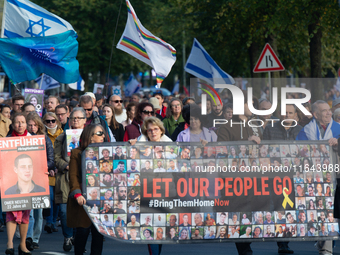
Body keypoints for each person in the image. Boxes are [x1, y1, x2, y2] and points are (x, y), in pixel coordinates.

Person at [67, 124, 106, 255]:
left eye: (103, 133)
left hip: (100, 199)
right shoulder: (76, 153)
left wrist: (132, 143)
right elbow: (73, 176)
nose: (103, 136)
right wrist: (77, 193)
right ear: (90, 136)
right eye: (99, 133)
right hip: (83, 198)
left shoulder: (106, 152)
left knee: (98, 233)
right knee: (82, 231)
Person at [5, 113, 36, 255]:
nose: (20, 125)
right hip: (11, 182)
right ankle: (10, 243)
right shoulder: (7, 140)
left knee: (25, 214)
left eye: (22, 122)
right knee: (11, 213)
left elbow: (39, 160)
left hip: (28, 183)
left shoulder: (33, 140)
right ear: (12, 124)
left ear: (26, 124)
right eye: (17, 122)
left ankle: (23, 244)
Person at [25, 112, 55, 250]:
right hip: (25, 178)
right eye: (29, 125)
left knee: (39, 211)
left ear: (38, 126)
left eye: (34, 125)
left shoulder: (45, 139)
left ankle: (36, 237)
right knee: (29, 211)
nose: (32, 127)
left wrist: (43, 167)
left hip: (40, 178)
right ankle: (28, 238)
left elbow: (51, 159)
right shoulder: (22, 139)